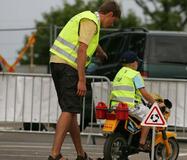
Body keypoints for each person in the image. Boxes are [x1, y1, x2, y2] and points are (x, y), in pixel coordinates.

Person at [48, 1, 121, 160]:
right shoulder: (91, 21)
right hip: (69, 67)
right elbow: (82, 49)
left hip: (58, 63)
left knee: (71, 111)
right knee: (68, 111)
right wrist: (82, 80)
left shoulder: (87, 18)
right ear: (109, 14)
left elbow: (85, 42)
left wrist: (100, 51)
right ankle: (54, 155)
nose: (111, 24)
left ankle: (81, 154)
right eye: (113, 21)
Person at [110, 51, 156, 151]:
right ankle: (142, 143)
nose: (137, 64)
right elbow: (143, 92)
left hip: (115, 106)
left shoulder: (119, 73)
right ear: (133, 63)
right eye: (137, 62)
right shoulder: (135, 74)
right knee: (149, 116)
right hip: (129, 106)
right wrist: (155, 103)